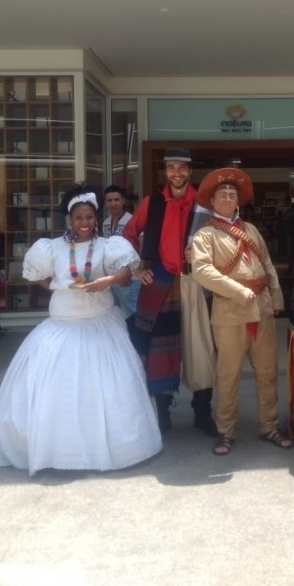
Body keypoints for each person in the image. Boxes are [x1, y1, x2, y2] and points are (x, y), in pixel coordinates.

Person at [0, 183, 162, 475]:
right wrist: (57, 286)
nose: (85, 223)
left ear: (97, 218)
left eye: (90, 218)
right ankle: (60, 451)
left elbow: (124, 276)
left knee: (104, 389)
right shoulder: (52, 247)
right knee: (59, 389)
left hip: (100, 324)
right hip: (62, 324)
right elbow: (38, 276)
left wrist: (104, 282)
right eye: (79, 218)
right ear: (70, 219)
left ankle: (107, 449)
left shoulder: (109, 245)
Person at [191, 167, 292, 456]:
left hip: (261, 310)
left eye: (231, 194)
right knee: (228, 374)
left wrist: (276, 296)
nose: (226, 197)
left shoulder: (252, 230)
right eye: (221, 194)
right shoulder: (205, 235)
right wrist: (237, 291)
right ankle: (225, 431)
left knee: (268, 372)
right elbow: (202, 271)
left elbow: (269, 265)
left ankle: (269, 426)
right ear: (212, 201)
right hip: (230, 312)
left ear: (238, 200)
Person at [123, 148, 217, 437]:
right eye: (171, 168)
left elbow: (218, 239)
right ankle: (162, 413)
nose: (177, 173)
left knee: (201, 348)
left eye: (182, 168)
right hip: (160, 281)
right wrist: (137, 266)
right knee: (158, 350)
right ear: (166, 171)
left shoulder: (204, 204)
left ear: (190, 171)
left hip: (196, 281)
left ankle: (202, 412)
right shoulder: (151, 203)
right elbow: (127, 235)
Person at [102, 184, 140, 321]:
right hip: (112, 277)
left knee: (132, 315)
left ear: (124, 201)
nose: (113, 204)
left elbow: (141, 245)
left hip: (130, 278)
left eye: (116, 200)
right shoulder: (106, 223)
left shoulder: (133, 220)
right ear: (105, 203)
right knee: (117, 315)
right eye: (109, 200)